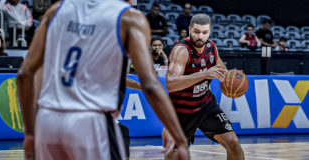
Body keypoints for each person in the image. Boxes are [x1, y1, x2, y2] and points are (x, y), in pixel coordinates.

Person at [16, 0, 189, 160]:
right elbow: (150, 84)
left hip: (47, 120)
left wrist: (30, 132)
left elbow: (25, 75)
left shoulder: (57, 10)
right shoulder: (129, 18)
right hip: (91, 122)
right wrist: (179, 138)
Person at [162, 14, 245, 160]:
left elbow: (222, 70)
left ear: (210, 31)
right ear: (189, 30)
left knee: (234, 144)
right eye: (196, 32)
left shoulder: (211, 47)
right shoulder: (181, 50)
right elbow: (170, 84)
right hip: (180, 112)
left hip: (205, 105)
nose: (200, 36)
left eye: (205, 32)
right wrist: (204, 74)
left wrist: (232, 76)